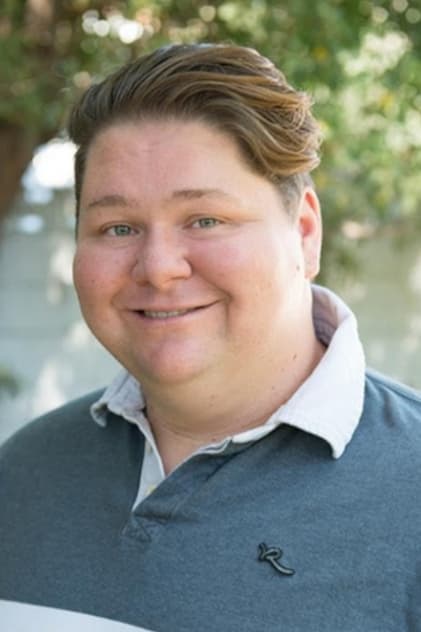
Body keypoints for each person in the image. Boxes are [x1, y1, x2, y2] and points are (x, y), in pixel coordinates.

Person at [1, 43, 420, 632]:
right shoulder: (22, 476)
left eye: (205, 220)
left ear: (304, 234)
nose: (158, 268)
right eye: (117, 228)